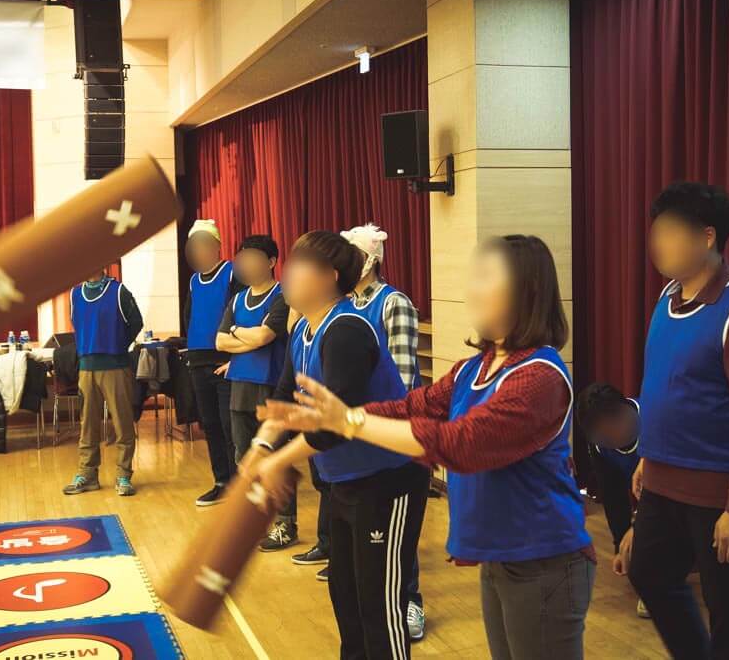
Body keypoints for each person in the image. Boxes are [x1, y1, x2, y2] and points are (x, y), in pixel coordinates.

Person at [261, 234, 595, 660]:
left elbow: (461, 443)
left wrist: (348, 421)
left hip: (545, 558)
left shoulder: (539, 375)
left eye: (486, 277)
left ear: (525, 291)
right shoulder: (473, 368)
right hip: (501, 555)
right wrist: (335, 417)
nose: (472, 289)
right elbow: (412, 406)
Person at [246, 231, 430, 660]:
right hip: (344, 482)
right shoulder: (302, 330)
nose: (288, 274)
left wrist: (277, 461)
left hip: (388, 482)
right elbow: (284, 398)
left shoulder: (346, 329)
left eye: (300, 266)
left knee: (379, 606)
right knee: (346, 596)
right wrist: (260, 447)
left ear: (330, 276)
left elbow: (333, 426)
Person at [627, 182, 729, 659]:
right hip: (663, 482)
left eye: (669, 233)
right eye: (655, 233)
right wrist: (648, 457)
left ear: (708, 236)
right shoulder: (666, 297)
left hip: (720, 493)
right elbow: (663, 386)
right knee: (648, 573)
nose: (657, 244)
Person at [342, 223, 428, 639]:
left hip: (390, 431)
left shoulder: (394, 304)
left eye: (351, 256)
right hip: (354, 431)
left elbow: (404, 379)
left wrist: (376, 424)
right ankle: (373, 605)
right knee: (368, 525)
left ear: (370, 261)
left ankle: (410, 601)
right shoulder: (344, 304)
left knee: (396, 526)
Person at [215, 234, 291, 535]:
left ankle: (285, 523)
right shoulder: (237, 299)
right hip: (240, 384)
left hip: (271, 385)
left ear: (271, 262)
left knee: (275, 455)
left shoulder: (283, 295)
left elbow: (265, 336)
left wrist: (237, 331)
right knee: (243, 455)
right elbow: (220, 341)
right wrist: (246, 334)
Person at [63, 268, 143, 497]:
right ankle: (87, 474)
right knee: (87, 424)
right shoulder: (75, 294)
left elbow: (136, 323)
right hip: (86, 368)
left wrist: (117, 344)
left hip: (116, 366)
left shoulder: (119, 291)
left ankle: (124, 475)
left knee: (122, 423)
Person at [574, 382, 649, 618]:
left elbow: (667, 489)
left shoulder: (654, 419)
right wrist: (621, 545)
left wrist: (638, 528)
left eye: (607, 434)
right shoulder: (599, 445)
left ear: (622, 416)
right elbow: (613, 495)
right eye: (599, 437)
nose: (604, 441)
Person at [184, 219, 245, 506]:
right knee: (209, 424)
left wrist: (236, 357)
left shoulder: (233, 273)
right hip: (198, 361)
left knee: (229, 425)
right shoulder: (194, 281)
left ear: (217, 246)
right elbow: (189, 317)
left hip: (226, 360)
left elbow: (242, 313)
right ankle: (221, 482)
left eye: (204, 243)